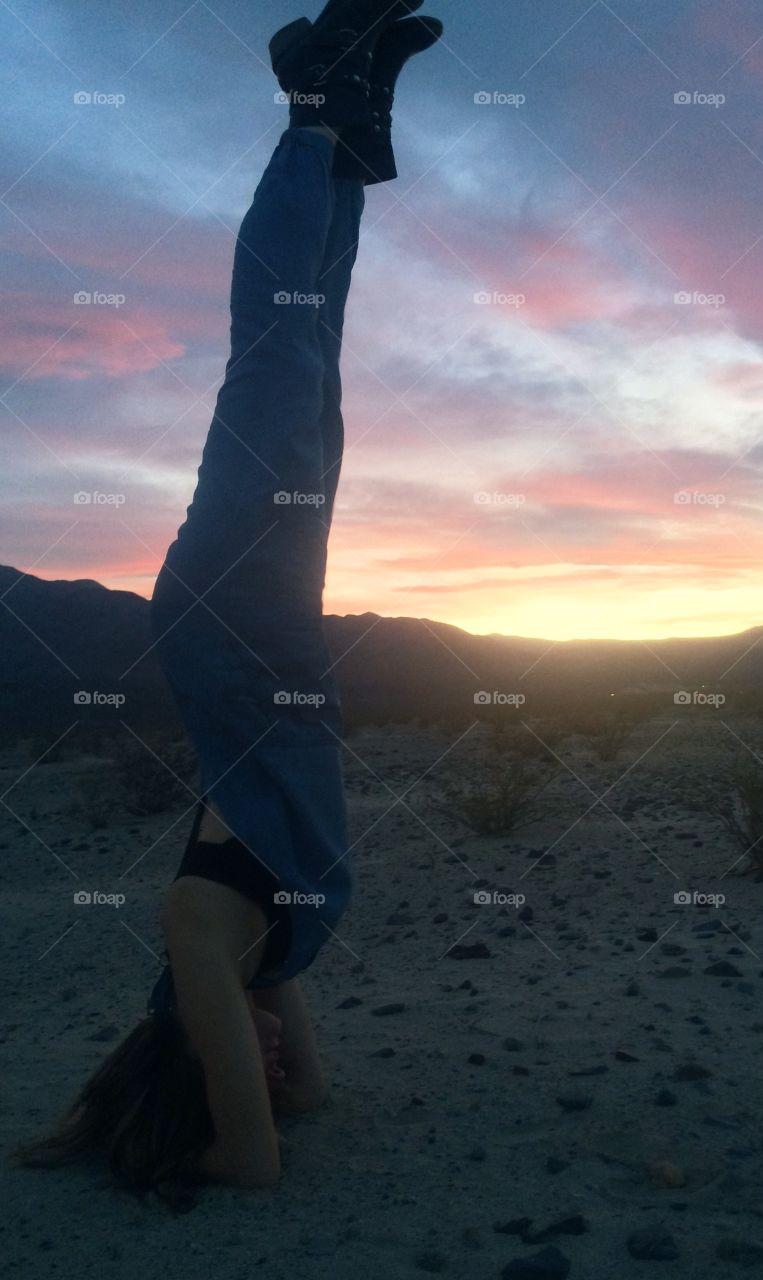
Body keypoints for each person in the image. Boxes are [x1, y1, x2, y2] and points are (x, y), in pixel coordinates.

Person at [10, 0, 443, 1207]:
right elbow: (306, 1096)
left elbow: (260, 1144)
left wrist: (122, 1120)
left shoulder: (203, 932)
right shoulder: (274, 949)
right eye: (263, 1052)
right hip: (278, 633)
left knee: (272, 349)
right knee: (318, 358)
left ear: (193, 1056)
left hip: (222, 619)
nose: (271, 1054)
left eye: (233, 1057)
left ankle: (309, 101)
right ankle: (348, 140)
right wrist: (249, 1047)